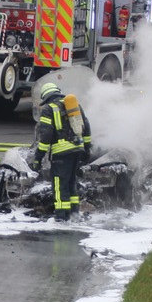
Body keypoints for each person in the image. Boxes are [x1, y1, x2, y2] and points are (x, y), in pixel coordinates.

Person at [32, 82, 91, 221]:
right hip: (77, 150)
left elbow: (46, 135)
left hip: (61, 153)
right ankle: (74, 213)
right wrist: (87, 149)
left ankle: (61, 217)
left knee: (59, 185)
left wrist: (38, 158)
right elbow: (86, 127)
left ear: (46, 97)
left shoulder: (48, 109)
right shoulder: (73, 106)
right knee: (71, 182)